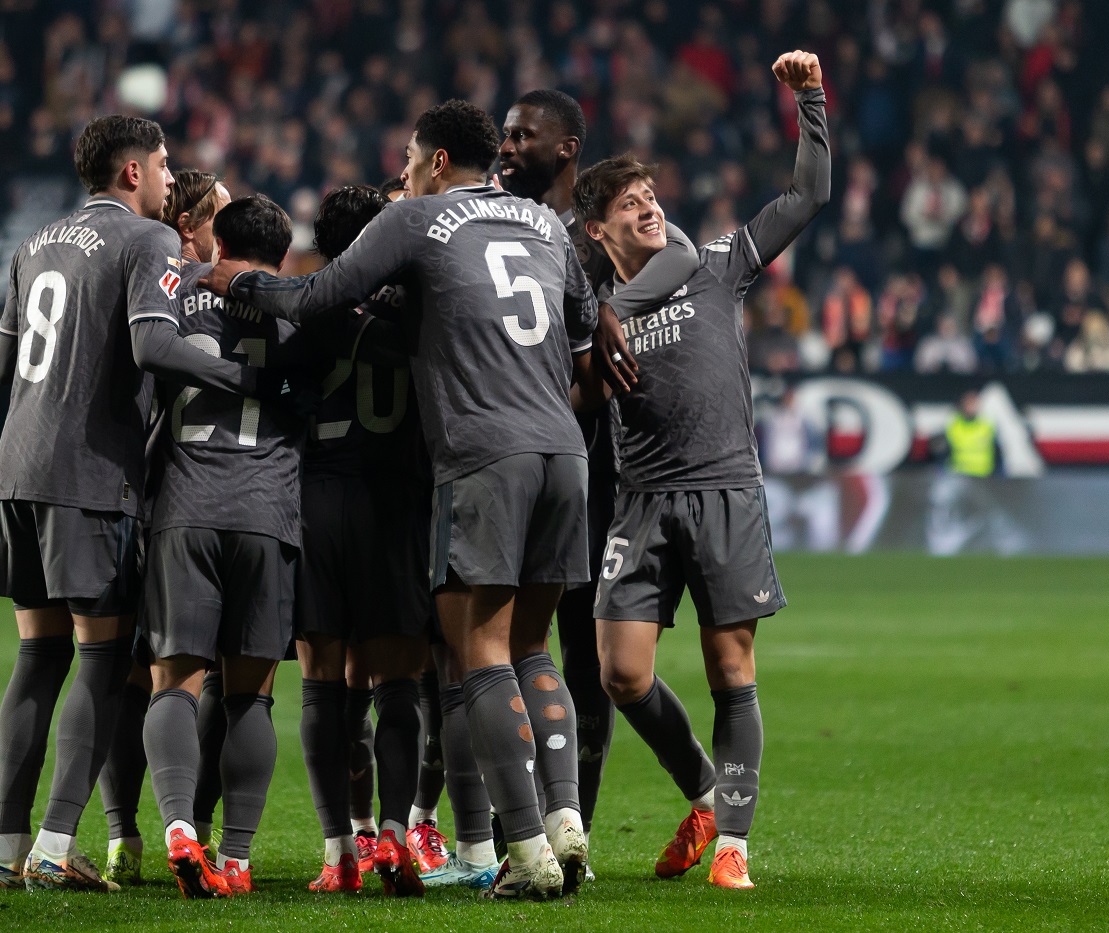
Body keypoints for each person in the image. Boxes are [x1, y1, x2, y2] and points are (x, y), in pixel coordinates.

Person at [203, 99, 597, 901]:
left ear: (438, 161)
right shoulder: (543, 224)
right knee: (534, 645)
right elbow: (586, 324)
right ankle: (565, 817)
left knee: (478, 650)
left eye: (412, 161)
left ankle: (526, 851)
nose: (407, 175)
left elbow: (318, 296)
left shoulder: (417, 219)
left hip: (484, 453)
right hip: (564, 449)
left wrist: (238, 279)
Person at [0, 115, 267, 894]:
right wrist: (246, 381)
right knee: (104, 661)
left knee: (37, 658)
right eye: (166, 165)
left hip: (15, 470)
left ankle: (5, 850)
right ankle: (54, 845)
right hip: (88, 474)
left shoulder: (34, 242)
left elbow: (4, 362)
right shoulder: (148, 240)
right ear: (133, 171)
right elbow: (152, 345)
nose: (172, 180)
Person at [573, 50, 831, 891]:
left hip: (724, 490)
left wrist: (810, 100)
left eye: (650, 196)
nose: (648, 207)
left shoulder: (719, 263)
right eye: (628, 204)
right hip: (640, 500)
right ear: (597, 230)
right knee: (622, 673)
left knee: (731, 668)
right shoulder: (587, 308)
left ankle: (734, 847)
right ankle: (705, 792)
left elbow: (807, 196)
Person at [496, 86, 700, 879]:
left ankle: (567, 828)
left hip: (594, 481)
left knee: (573, 661)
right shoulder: (505, 229)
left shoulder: (584, 251)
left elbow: (681, 250)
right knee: (507, 652)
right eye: (506, 136)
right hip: (529, 466)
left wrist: (614, 302)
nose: (510, 148)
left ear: (566, 149)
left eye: (524, 136)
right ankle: (500, 832)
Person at [140, 194, 311, 898]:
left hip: (185, 510)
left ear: (217, 242)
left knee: (174, 684)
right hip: (267, 513)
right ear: (283, 255)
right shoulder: (300, 310)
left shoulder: (175, 296)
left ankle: (181, 827)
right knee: (251, 697)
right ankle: (236, 858)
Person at [293, 185, 439, 895]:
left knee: (322, 687)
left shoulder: (307, 314)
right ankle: (393, 833)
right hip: (395, 507)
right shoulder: (417, 317)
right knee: (399, 684)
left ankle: (338, 851)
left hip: (317, 505)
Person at [94, 169, 233, 889]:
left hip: (144, 501)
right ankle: (191, 827)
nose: (230, 227)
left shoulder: (145, 286)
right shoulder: (208, 291)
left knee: (133, 675)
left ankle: (126, 834)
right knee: (202, 674)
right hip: (186, 502)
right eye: (221, 215)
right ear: (189, 228)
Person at [941, 390, 999, 477]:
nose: (971, 406)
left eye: (973, 402)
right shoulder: (953, 423)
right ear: (962, 404)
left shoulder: (987, 423)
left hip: (984, 474)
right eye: (968, 403)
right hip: (960, 473)